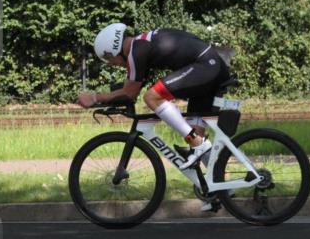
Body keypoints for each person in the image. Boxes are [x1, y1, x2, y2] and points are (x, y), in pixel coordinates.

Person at [78, 23, 231, 165]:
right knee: (198, 145)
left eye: (109, 58)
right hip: (210, 66)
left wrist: (94, 97)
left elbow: (129, 93)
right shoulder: (140, 44)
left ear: (114, 49)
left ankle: (197, 142)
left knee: (152, 97)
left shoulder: (135, 51)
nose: (112, 64)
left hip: (205, 66)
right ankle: (222, 188)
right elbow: (131, 88)